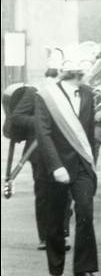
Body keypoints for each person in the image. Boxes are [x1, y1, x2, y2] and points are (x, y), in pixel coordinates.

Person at [34, 46, 101, 276]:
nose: (80, 70)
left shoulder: (88, 93)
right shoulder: (45, 95)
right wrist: (56, 166)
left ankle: (85, 269)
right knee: (55, 219)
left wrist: (92, 163)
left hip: (82, 166)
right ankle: (55, 267)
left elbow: (89, 133)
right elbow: (43, 133)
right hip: (55, 166)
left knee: (85, 213)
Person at [12, 51, 73, 251]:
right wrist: (41, 123)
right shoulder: (34, 91)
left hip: (63, 149)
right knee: (44, 194)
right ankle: (46, 237)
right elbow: (17, 117)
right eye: (52, 65)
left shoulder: (67, 91)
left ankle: (60, 235)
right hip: (37, 151)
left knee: (65, 195)